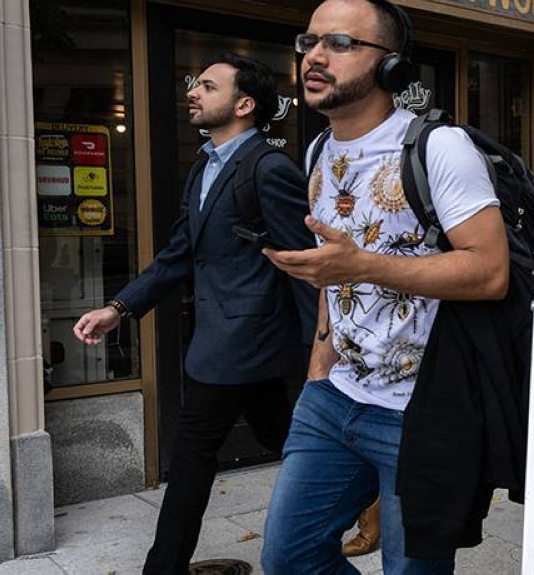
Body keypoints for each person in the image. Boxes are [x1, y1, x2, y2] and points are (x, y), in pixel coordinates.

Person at [259, 0, 509, 573]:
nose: (316, 56)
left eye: (341, 44)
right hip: (332, 398)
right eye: (311, 42)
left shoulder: (438, 148)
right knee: (289, 560)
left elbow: (490, 271)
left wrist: (364, 266)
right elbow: (334, 265)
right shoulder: (319, 149)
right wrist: (320, 363)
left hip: (422, 411)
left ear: (392, 66)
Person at [72, 52, 317, 574]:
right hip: (228, 343)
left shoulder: (270, 169)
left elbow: (304, 267)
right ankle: (354, 505)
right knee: (292, 444)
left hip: (240, 347)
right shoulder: (205, 164)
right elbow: (181, 250)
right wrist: (120, 306)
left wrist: (321, 354)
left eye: (207, 85)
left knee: (190, 460)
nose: (193, 91)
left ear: (244, 104)